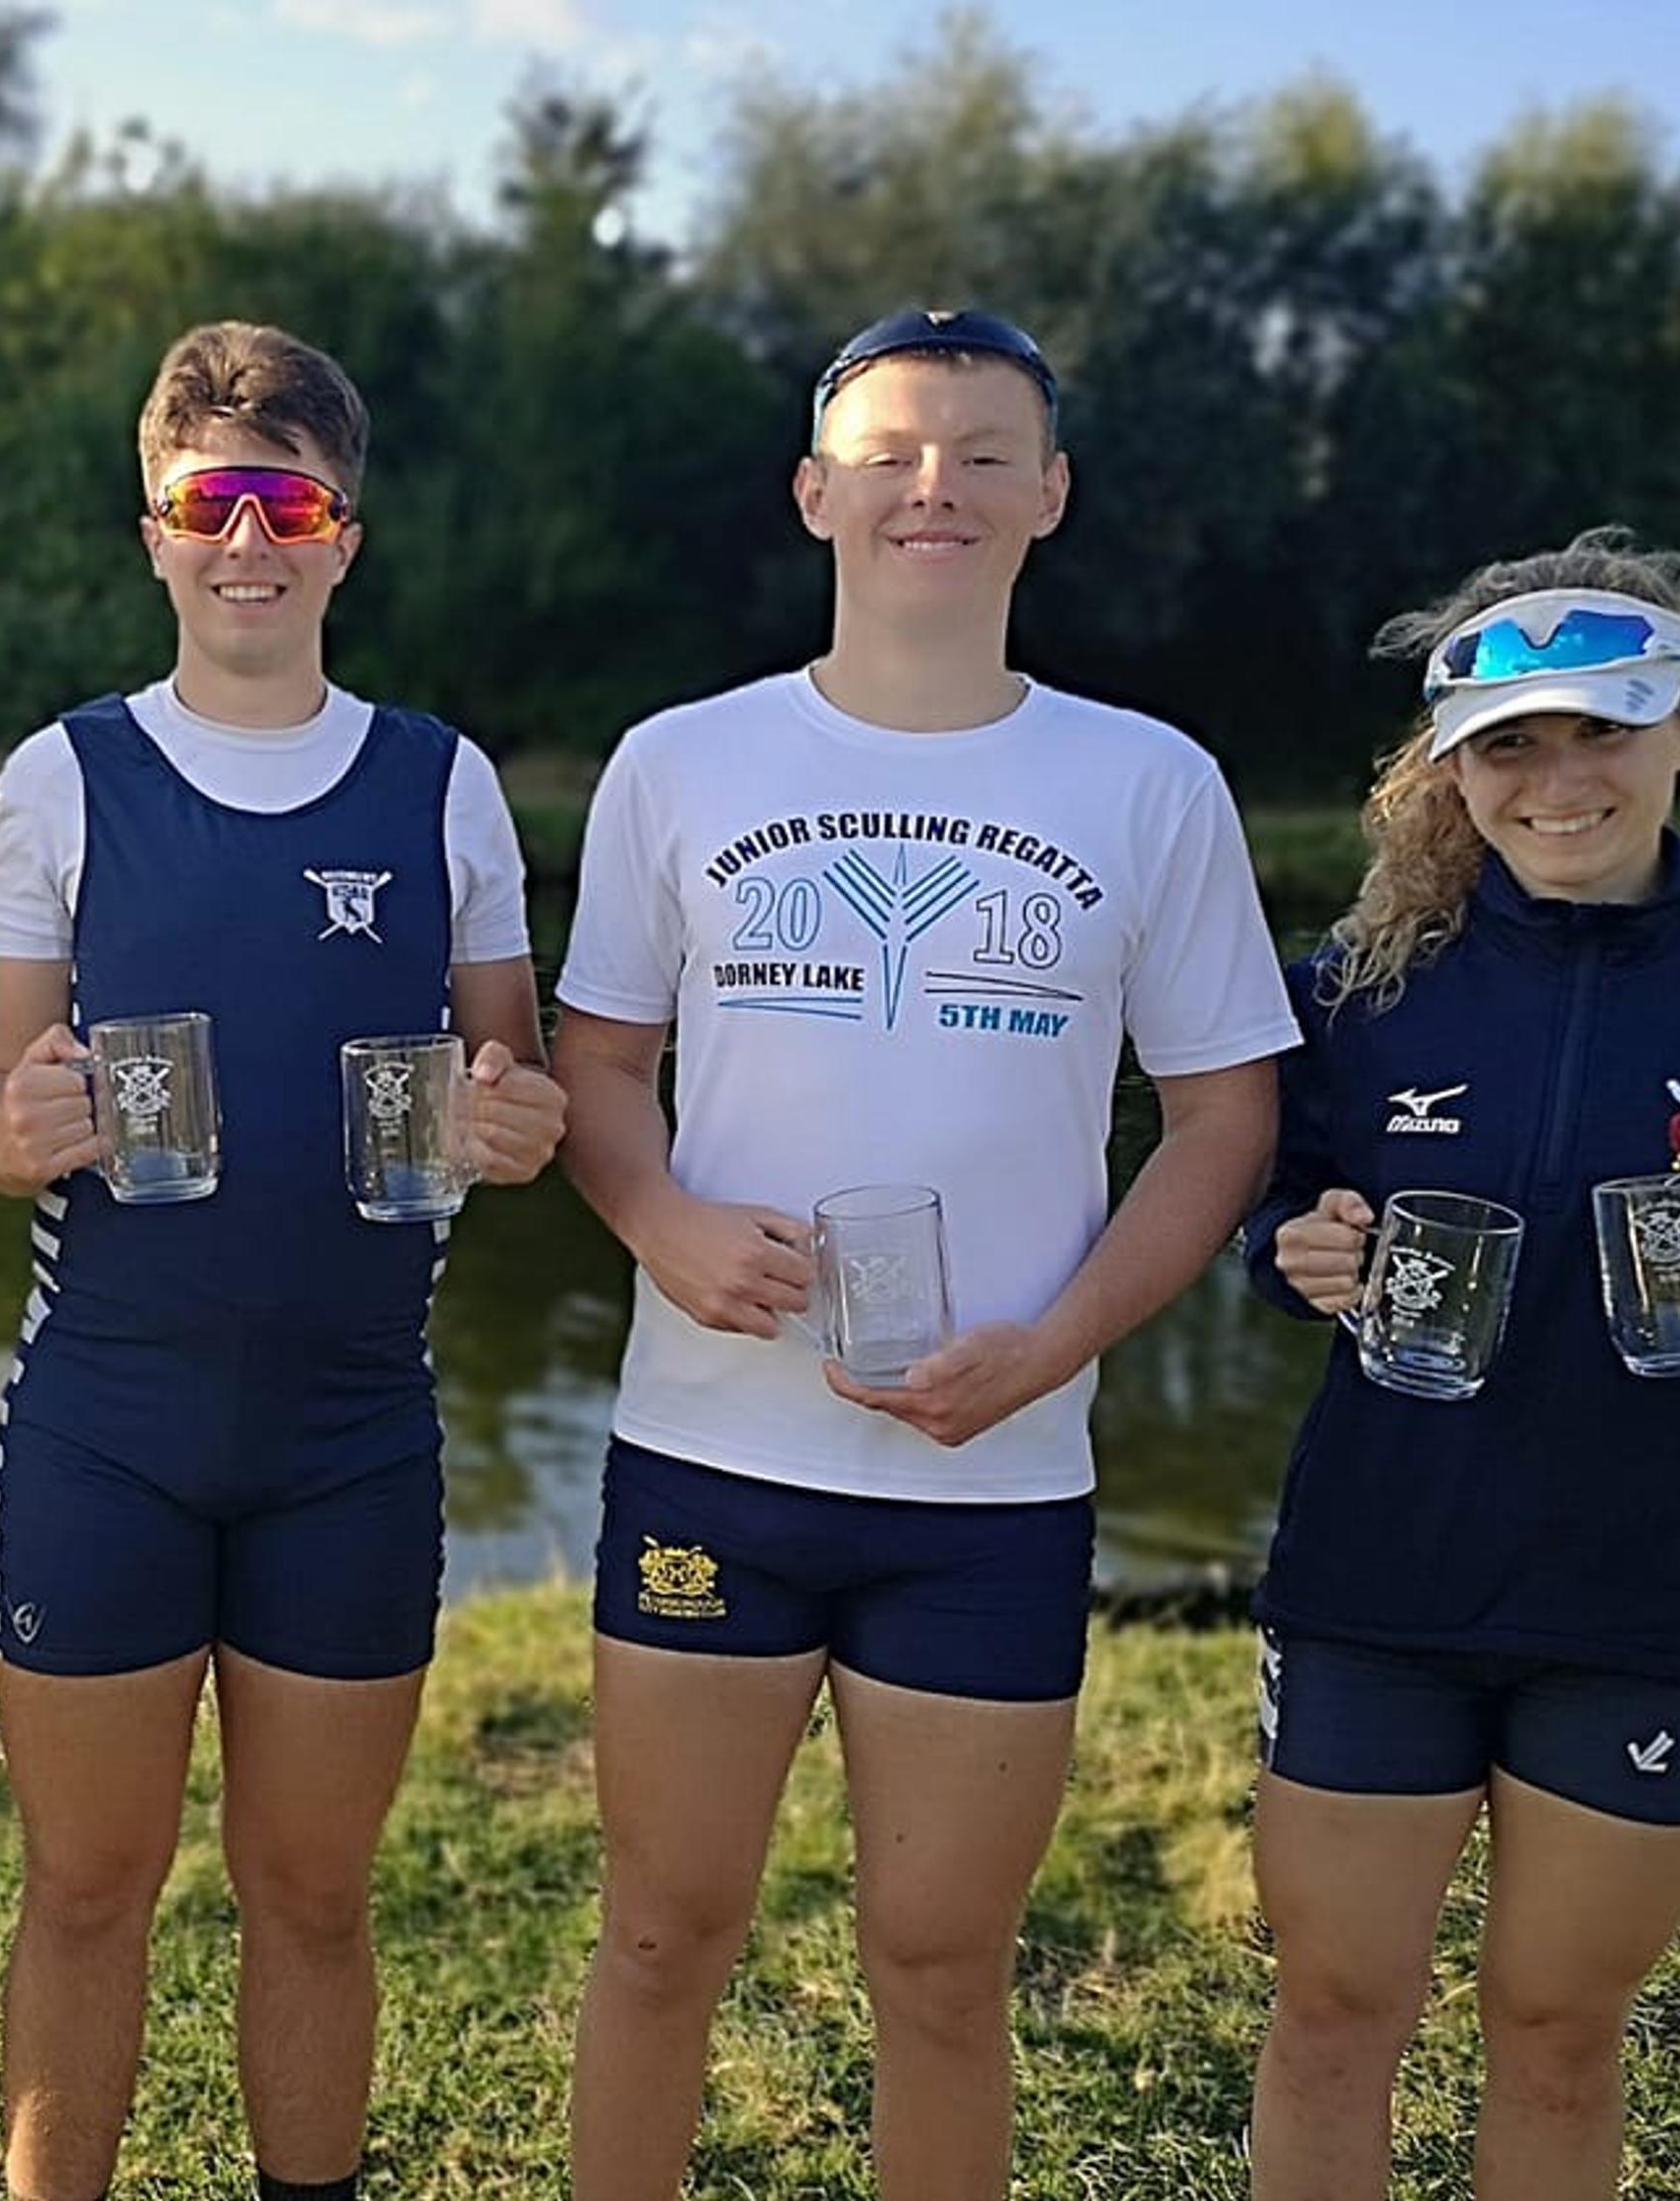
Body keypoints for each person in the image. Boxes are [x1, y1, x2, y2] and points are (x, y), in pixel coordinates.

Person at [550, 306, 1295, 2201]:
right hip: (715, 1453)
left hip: (997, 1479)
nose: (932, 487)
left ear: (1049, 496)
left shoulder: (1148, 783)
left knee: (946, 1975)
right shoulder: (680, 761)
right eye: (889, 452)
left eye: (980, 452)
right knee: (659, 1938)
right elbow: (600, 1064)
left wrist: (1059, 1343)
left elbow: (1224, 1124)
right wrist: (659, 1219)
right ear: (818, 492)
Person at [0, 319, 568, 2201]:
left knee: (312, 1896)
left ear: (342, 537)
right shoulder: (61, 778)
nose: (248, 540)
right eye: (209, 500)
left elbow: (515, 1075)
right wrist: (18, 1124)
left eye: (286, 501)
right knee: (84, 1891)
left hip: (350, 1435)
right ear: (153, 529)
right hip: (106, 1430)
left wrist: (516, 1124)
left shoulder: (441, 781)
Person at [1239, 530, 1680, 2200]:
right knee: (1333, 2009)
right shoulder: (1359, 986)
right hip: (1381, 1580)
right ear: (1454, 770)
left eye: (1602, 730)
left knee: (1555, 2035)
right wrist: (1289, 1252)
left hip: (1640, 1595)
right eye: (1510, 747)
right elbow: (1265, 1216)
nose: (1558, 782)